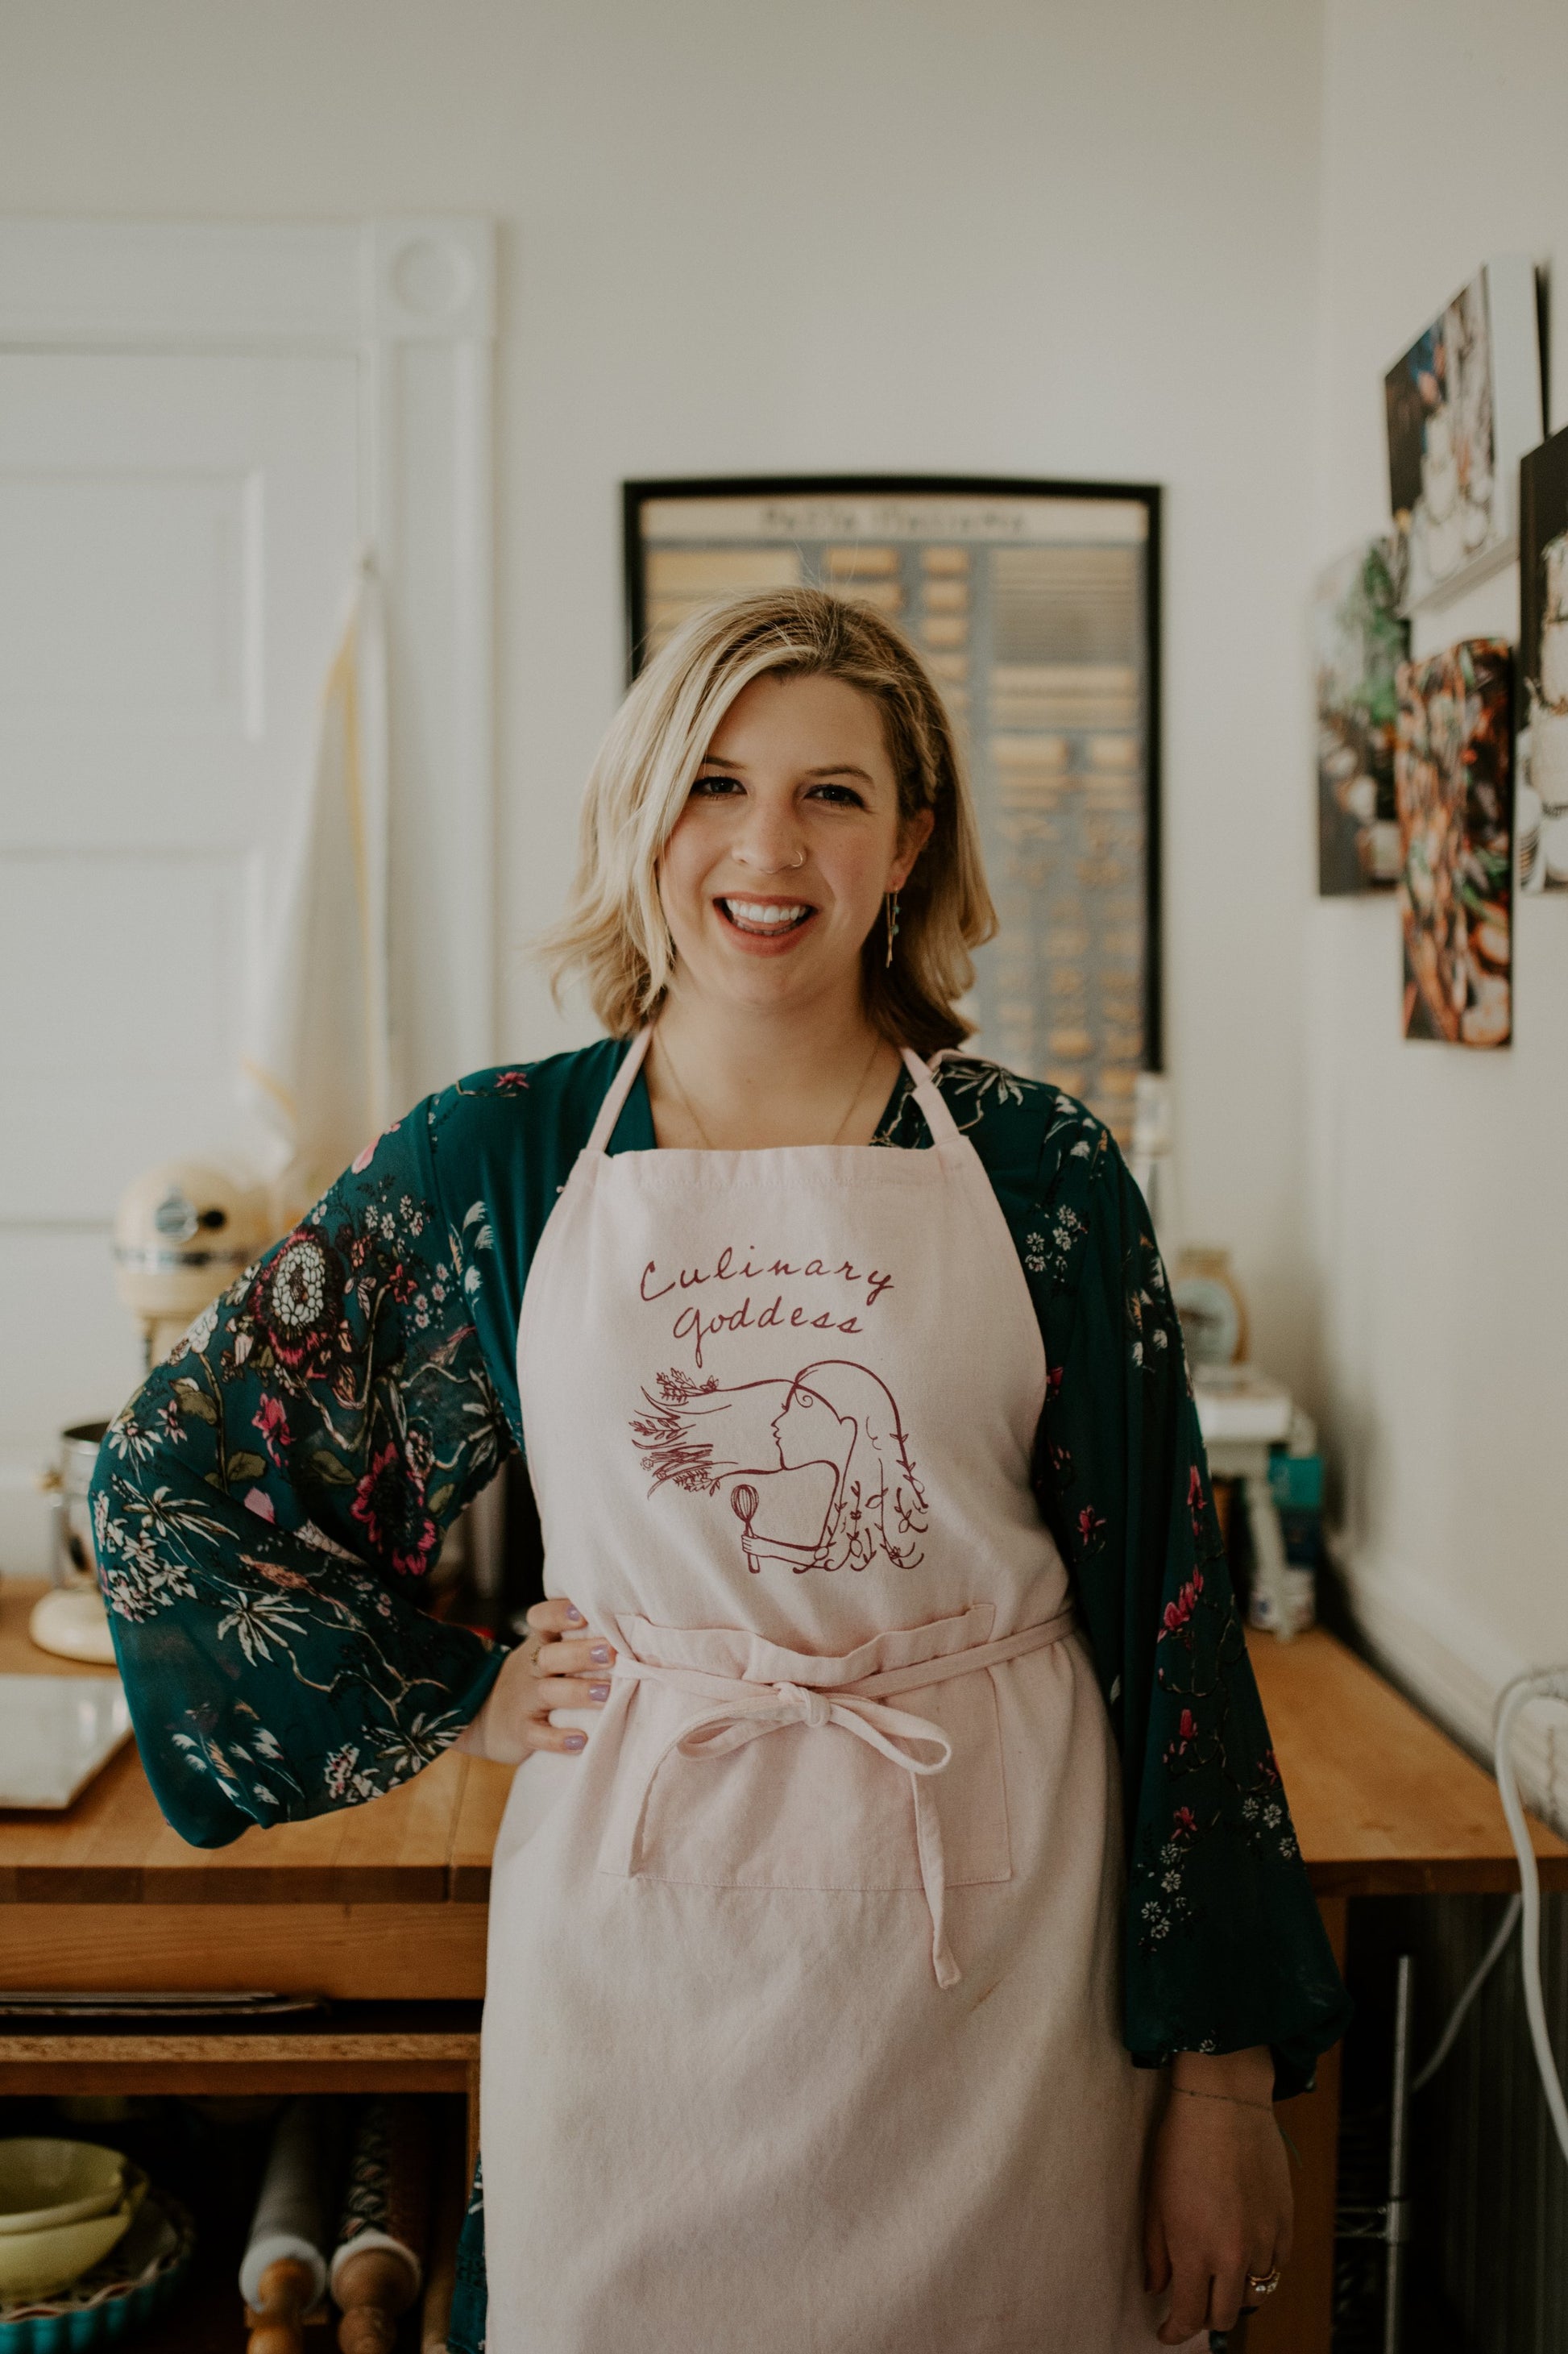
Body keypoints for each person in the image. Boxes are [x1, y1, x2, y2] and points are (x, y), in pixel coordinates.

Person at [92, 587, 1349, 2352]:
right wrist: (448, 1691)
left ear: (910, 839)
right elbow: (177, 1483)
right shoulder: (501, 1161)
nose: (769, 847)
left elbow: (1172, 1625)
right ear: (640, 815)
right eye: (713, 783)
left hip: (996, 1949)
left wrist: (1217, 2091)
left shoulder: (1040, 1168)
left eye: (833, 794)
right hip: (638, 1947)